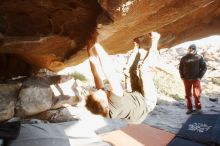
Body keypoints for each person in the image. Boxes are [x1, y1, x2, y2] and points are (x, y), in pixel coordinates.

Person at [85, 31, 159, 124]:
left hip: (134, 101)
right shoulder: (115, 104)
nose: (100, 90)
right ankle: (155, 40)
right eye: (100, 92)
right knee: (144, 70)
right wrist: (96, 43)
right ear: (105, 103)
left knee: (128, 71)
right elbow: (109, 70)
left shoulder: (101, 102)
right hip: (146, 103)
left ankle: (137, 47)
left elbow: (95, 72)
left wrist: (89, 49)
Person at [179, 44, 207, 114]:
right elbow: (180, 68)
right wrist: (182, 77)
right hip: (186, 79)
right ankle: (189, 109)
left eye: (193, 48)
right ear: (188, 49)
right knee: (188, 95)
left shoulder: (199, 57)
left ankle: (198, 109)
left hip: (196, 79)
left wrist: (199, 77)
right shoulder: (184, 58)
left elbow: (204, 68)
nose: (191, 49)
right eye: (190, 48)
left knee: (196, 94)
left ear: (195, 49)